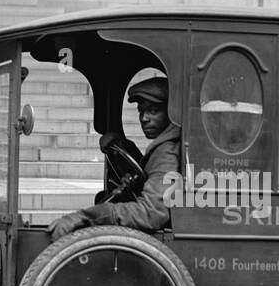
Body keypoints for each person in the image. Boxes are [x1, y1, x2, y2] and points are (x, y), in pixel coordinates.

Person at [47, 68, 181, 240]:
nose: (144, 118)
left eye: (153, 111)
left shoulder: (167, 153)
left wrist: (89, 216)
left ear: (171, 112)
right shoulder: (164, 147)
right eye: (141, 111)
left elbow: (150, 213)